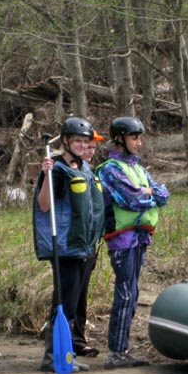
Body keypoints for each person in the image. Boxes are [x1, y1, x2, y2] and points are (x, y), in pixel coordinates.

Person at [32, 116, 105, 372]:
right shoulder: (56, 167)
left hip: (84, 248)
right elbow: (44, 205)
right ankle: (52, 358)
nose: (83, 146)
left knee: (73, 304)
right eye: (77, 141)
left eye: (86, 142)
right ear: (65, 141)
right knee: (63, 302)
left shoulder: (84, 168)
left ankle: (67, 355)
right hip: (64, 247)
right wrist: (46, 175)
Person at [96, 116, 169, 369]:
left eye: (139, 137)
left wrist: (151, 192)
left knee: (132, 292)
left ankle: (122, 350)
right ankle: (116, 352)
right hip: (122, 239)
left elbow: (163, 193)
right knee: (126, 293)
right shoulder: (110, 169)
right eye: (134, 138)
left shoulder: (137, 169)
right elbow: (132, 199)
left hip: (140, 236)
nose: (139, 143)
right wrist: (149, 193)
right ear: (120, 139)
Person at [72, 127, 106, 358]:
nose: (91, 151)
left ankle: (79, 339)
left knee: (82, 294)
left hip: (90, 244)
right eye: (87, 146)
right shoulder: (67, 171)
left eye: (93, 147)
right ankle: (67, 342)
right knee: (70, 293)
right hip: (72, 246)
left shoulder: (91, 173)